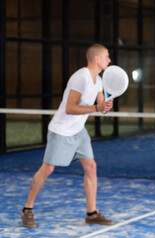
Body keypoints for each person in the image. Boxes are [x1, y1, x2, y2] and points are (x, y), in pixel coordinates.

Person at [20, 44, 115, 228]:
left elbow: (101, 105)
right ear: (97, 59)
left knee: (91, 167)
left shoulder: (99, 81)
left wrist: (104, 107)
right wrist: (97, 108)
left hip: (79, 131)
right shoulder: (81, 78)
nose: (109, 60)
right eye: (106, 56)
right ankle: (27, 209)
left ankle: (92, 213)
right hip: (61, 130)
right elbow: (70, 108)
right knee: (47, 169)